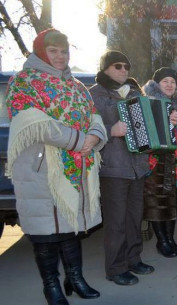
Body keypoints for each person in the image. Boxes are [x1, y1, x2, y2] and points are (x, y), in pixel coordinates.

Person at [5, 28, 105, 304]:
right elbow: (37, 124)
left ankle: (74, 277)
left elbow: (94, 115)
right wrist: (80, 140)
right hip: (41, 169)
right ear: (41, 51)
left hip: (76, 166)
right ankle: (51, 285)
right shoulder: (23, 82)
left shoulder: (75, 85)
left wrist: (94, 137)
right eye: (53, 50)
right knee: (46, 231)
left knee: (71, 226)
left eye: (64, 51)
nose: (60, 56)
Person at [89, 51, 154, 286]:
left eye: (126, 66)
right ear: (105, 68)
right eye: (118, 66)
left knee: (134, 217)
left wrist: (167, 122)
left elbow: (149, 125)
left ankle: (133, 259)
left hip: (137, 166)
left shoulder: (136, 93)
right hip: (113, 166)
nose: (124, 70)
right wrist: (109, 131)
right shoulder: (94, 95)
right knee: (116, 221)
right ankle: (115, 268)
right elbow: (86, 128)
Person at [142, 67, 177, 257]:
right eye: (165, 81)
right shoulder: (148, 103)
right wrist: (168, 123)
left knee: (172, 204)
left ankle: (170, 239)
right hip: (155, 163)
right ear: (157, 84)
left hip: (176, 163)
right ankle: (162, 241)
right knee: (157, 204)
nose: (169, 85)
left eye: (172, 82)